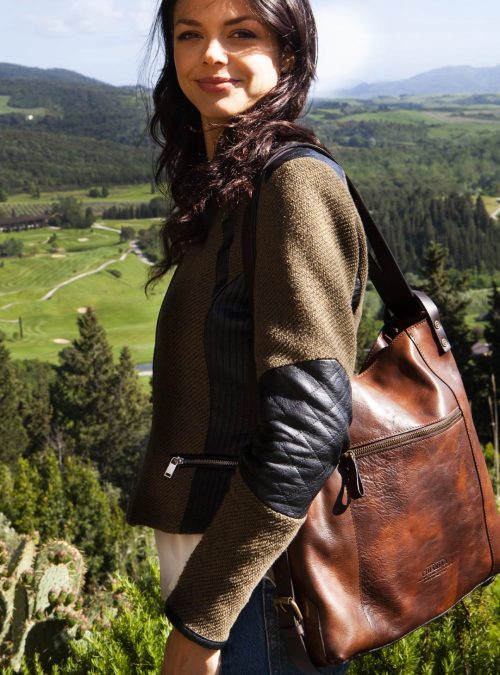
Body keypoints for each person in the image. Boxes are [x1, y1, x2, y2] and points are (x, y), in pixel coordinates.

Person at [126, 0, 368, 673]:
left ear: (288, 54)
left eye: (241, 34)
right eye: (189, 34)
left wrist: (202, 626)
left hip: (261, 589)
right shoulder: (229, 185)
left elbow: (309, 423)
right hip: (231, 580)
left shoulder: (293, 185)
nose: (211, 56)